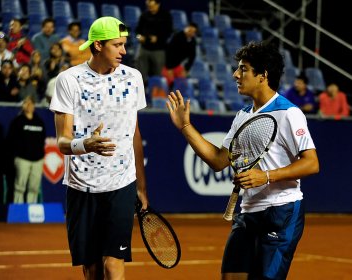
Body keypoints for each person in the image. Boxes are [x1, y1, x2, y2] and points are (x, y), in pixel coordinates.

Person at [166, 41, 319, 280]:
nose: (236, 74)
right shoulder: (242, 116)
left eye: (243, 69)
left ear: (263, 75)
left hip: (282, 211)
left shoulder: (289, 113)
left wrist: (266, 176)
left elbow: (311, 163)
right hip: (248, 213)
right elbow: (218, 161)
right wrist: (185, 126)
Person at [49, 16, 148, 280]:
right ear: (97, 46)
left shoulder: (133, 78)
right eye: (117, 45)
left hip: (121, 184)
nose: (124, 51)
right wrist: (86, 145)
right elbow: (62, 142)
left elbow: (134, 133)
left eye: (124, 44)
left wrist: (141, 186)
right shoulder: (69, 80)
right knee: (91, 268)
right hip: (81, 186)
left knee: (114, 264)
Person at [6, 95, 46, 203]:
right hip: (22, 159)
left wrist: (41, 156)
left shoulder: (39, 122)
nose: (29, 106)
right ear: (23, 106)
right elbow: (11, 140)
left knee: (34, 188)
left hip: (38, 160)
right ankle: (18, 210)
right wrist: (16, 156)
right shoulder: (17, 121)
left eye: (31, 103)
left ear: (34, 106)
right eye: (26, 103)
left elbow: (42, 140)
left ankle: (31, 210)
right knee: (20, 187)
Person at [135, 0, 173, 84]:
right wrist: (139, 37)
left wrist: (158, 38)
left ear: (158, 4)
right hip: (144, 48)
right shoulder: (144, 15)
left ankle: (157, 95)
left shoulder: (166, 16)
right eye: (148, 6)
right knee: (140, 75)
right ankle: (141, 94)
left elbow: (169, 32)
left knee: (157, 76)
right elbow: (137, 31)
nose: (150, 8)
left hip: (158, 50)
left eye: (152, 6)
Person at [162, 22, 198, 87]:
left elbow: (192, 57)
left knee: (182, 83)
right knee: (168, 83)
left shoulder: (193, 41)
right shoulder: (177, 37)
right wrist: (169, 68)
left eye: (193, 32)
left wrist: (186, 70)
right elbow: (169, 52)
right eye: (189, 30)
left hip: (177, 65)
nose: (190, 33)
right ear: (186, 29)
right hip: (167, 64)